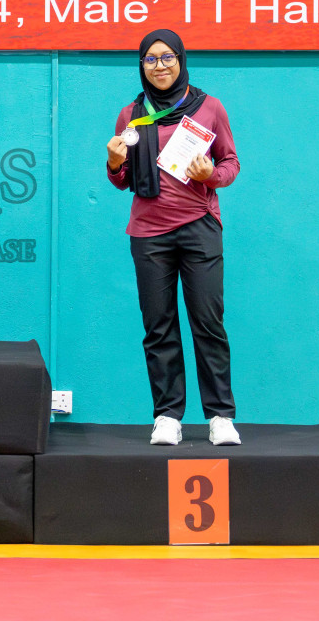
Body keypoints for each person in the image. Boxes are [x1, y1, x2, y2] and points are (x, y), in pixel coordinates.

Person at [104, 29, 242, 447]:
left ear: (181, 60)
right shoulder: (132, 114)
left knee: (208, 324)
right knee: (158, 327)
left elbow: (231, 163)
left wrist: (210, 176)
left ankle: (220, 416)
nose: (159, 66)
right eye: (150, 59)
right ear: (142, 65)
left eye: (167, 58)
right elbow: (122, 180)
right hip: (148, 234)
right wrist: (113, 162)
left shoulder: (208, 108)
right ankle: (167, 416)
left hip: (199, 227)